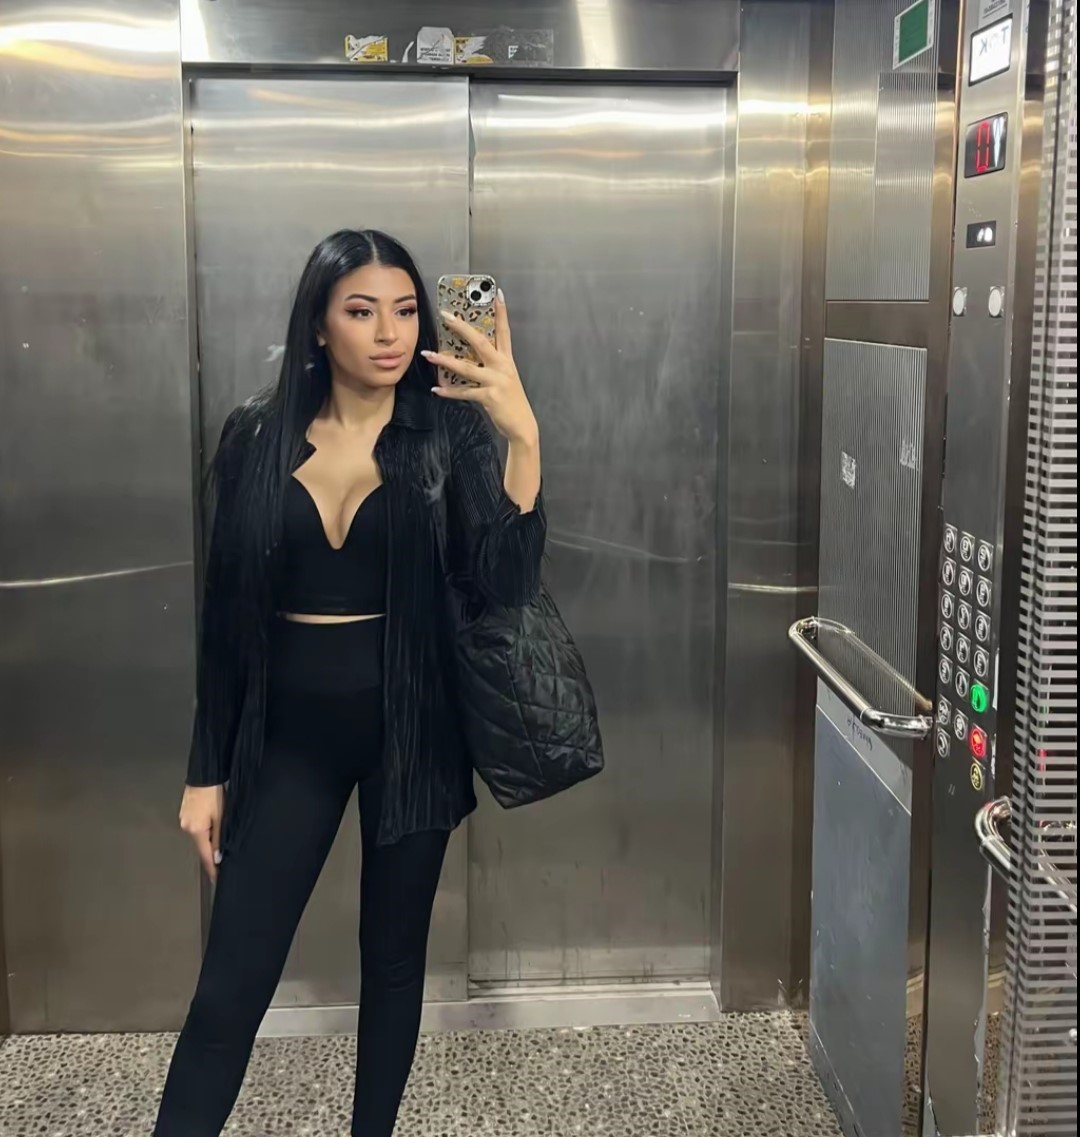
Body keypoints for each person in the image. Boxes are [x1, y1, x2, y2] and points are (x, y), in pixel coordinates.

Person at [154, 229, 545, 1137]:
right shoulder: (256, 434)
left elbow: (507, 587)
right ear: (319, 324)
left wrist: (520, 435)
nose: (390, 332)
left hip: (415, 729)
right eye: (362, 310)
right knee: (229, 984)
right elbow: (225, 616)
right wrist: (205, 769)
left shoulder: (448, 432)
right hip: (288, 739)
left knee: (394, 965)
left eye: (405, 310)